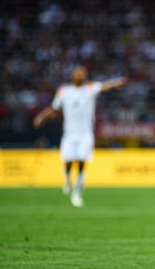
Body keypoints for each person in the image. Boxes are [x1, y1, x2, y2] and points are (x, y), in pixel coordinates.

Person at [33, 66, 127, 207]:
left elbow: (105, 86)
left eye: (84, 74)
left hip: (86, 134)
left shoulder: (90, 88)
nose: (82, 76)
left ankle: (77, 193)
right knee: (69, 161)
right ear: (73, 76)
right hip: (69, 134)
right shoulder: (64, 91)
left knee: (82, 162)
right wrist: (42, 116)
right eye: (79, 74)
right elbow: (54, 108)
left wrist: (116, 83)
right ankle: (67, 176)